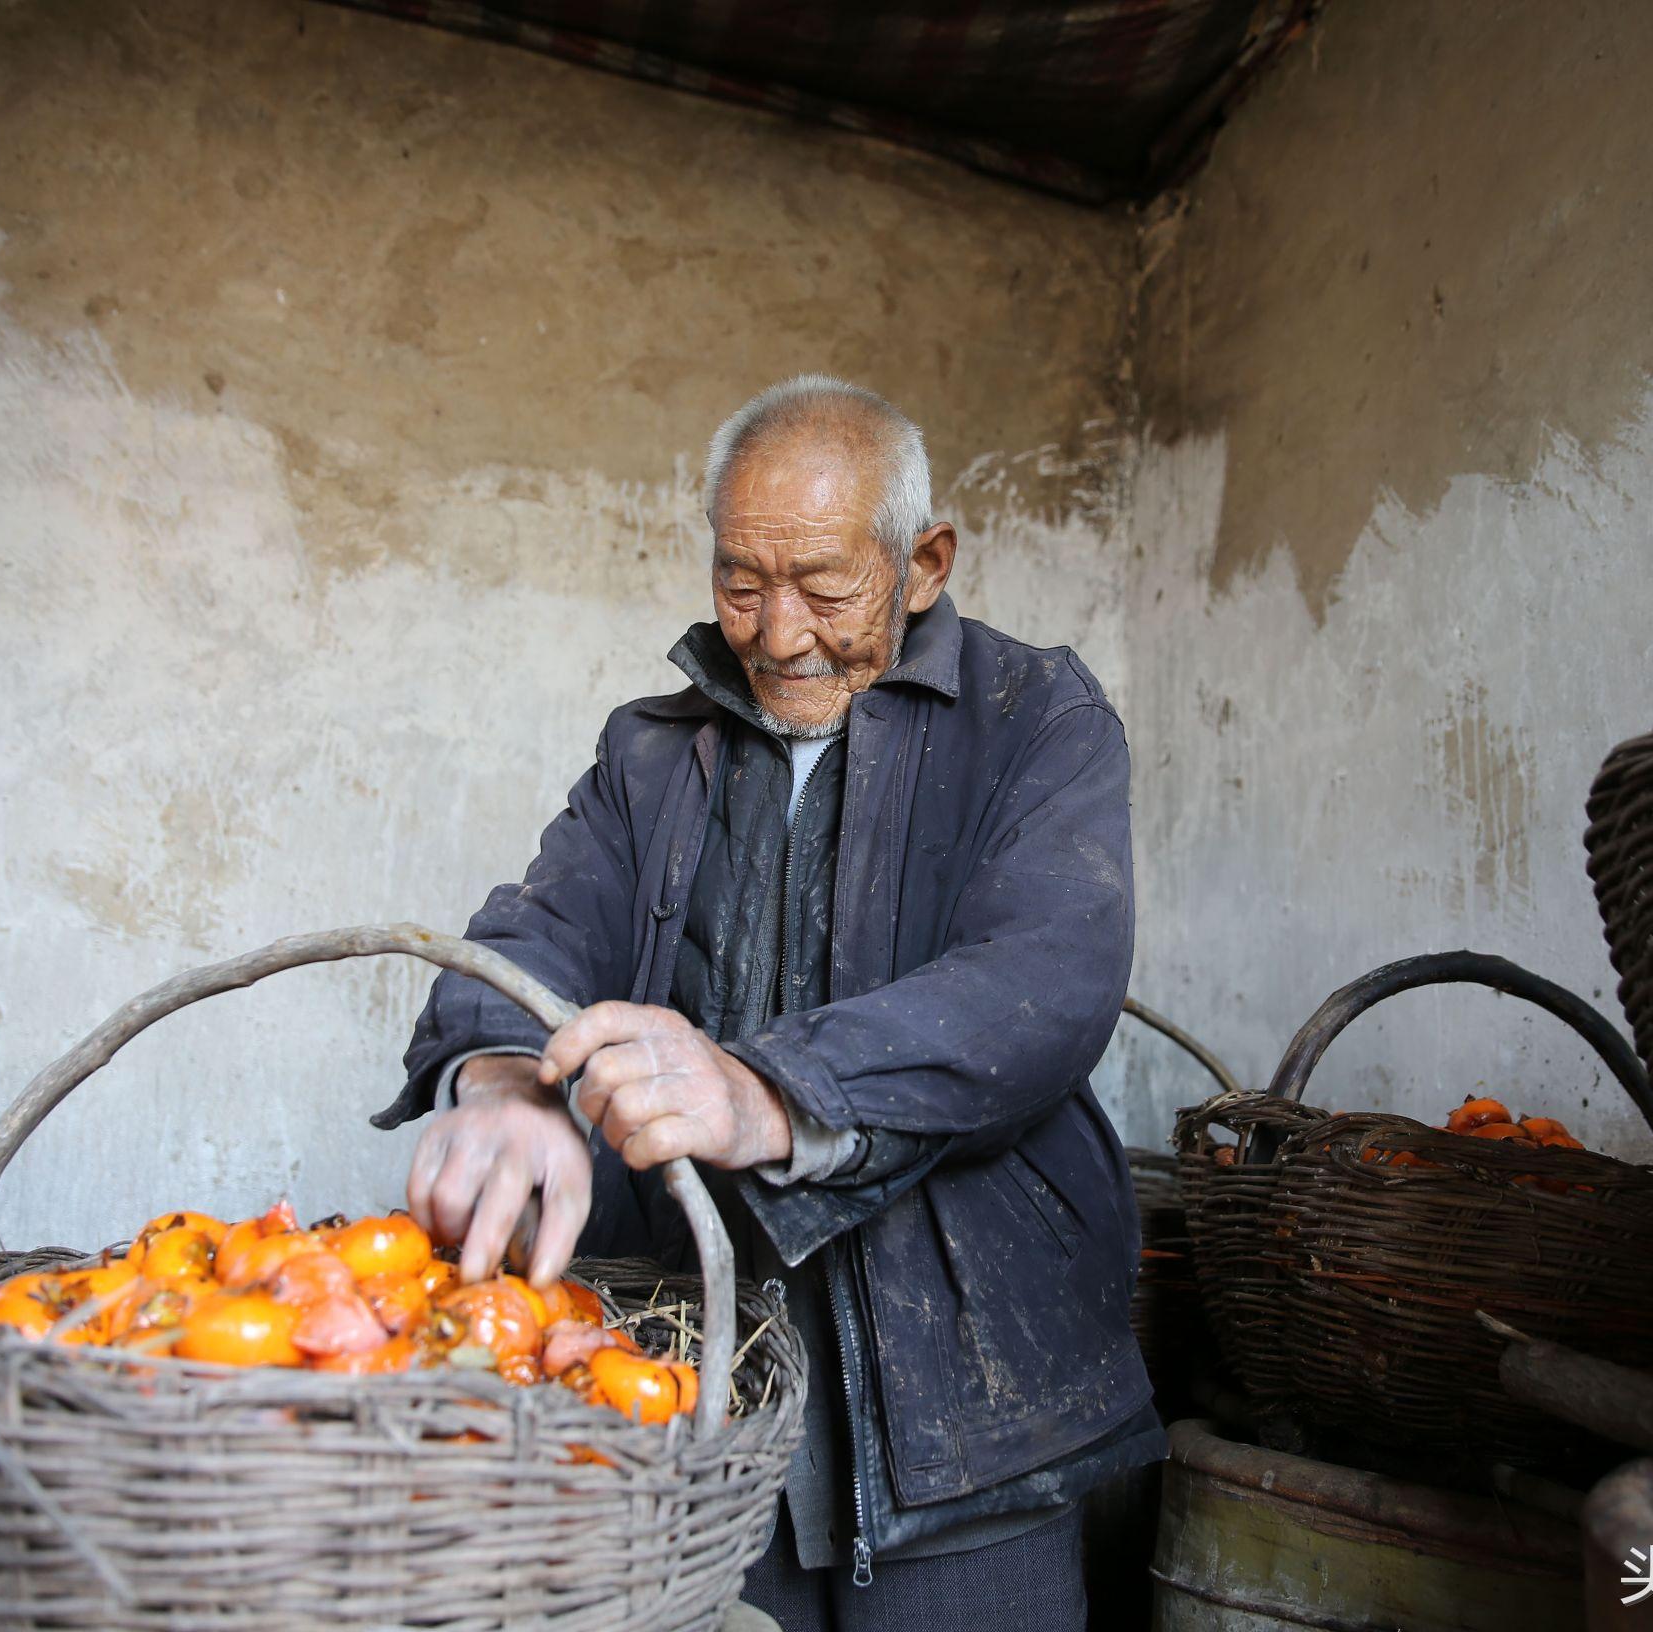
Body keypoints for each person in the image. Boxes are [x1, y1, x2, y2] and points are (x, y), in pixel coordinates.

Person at [374, 375, 1162, 1629]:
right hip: (695, 1380)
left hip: (973, 1401)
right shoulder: (650, 748)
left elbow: (1046, 978)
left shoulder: (1033, 716)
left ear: (922, 564)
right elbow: (539, 927)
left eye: (824, 588)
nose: (779, 632)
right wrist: (505, 1078)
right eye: (741, 584)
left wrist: (767, 1091)